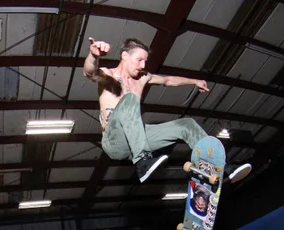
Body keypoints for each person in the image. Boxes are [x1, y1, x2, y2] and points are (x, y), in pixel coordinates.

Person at [83, 37, 252, 183]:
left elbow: (168, 80)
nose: (143, 65)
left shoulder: (142, 78)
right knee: (130, 99)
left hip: (137, 136)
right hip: (114, 141)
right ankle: (142, 161)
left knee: (186, 124)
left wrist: (194, 81)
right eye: (139, 60)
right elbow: (91, 72)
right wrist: (93, 55)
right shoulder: (108, 75)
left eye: (145, 61)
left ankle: (219, 167)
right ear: (125, 56)